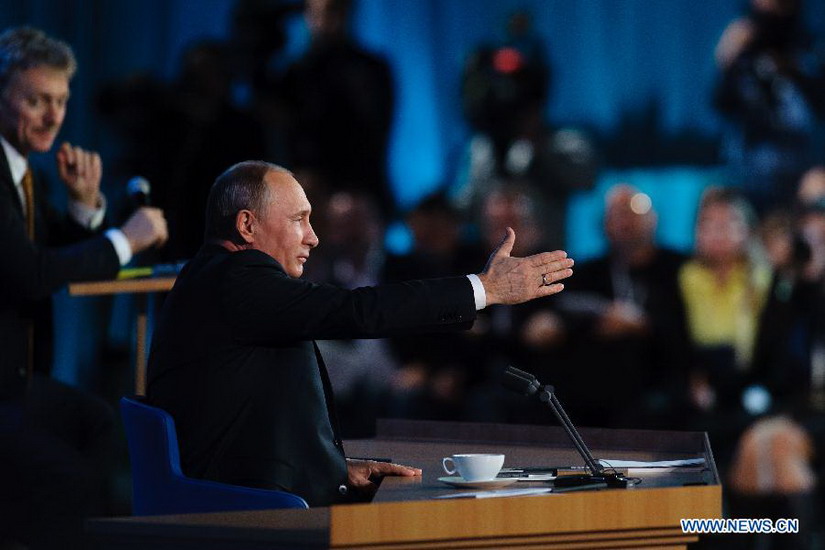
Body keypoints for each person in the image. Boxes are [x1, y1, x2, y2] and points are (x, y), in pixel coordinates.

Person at [146, 161, 574, 506]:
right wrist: (484, 289)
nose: (313, 238)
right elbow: (356, 311)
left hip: (242, 481)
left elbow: (250, 414)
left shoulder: (213, 277)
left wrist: (333, 466)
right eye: (299, 220)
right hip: (239, 503)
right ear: (247, 225)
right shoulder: (238, 279)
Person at [0, 26, 168, 547]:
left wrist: (83, 205)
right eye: (37, 100)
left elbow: (60, 256)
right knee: (66, 477)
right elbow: (30, 272)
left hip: (20, 378)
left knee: (99, 424)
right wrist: (126, 238)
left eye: (61, 101)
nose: (53, 116)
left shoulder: (30, 175)